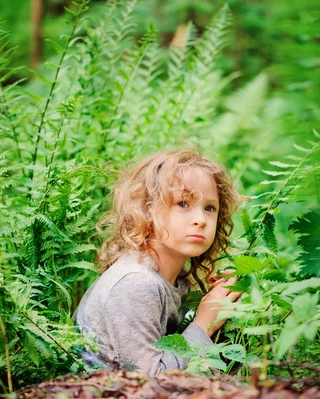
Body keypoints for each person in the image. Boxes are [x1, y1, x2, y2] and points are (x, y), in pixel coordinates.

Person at [73, 148, 243, 376]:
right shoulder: (136, 283)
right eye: (183, 203)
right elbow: (148, 382)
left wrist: (219, 300)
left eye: (209, 208)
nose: (201, 220)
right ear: (146, 210)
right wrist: (205, 322)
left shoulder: (171, 277)